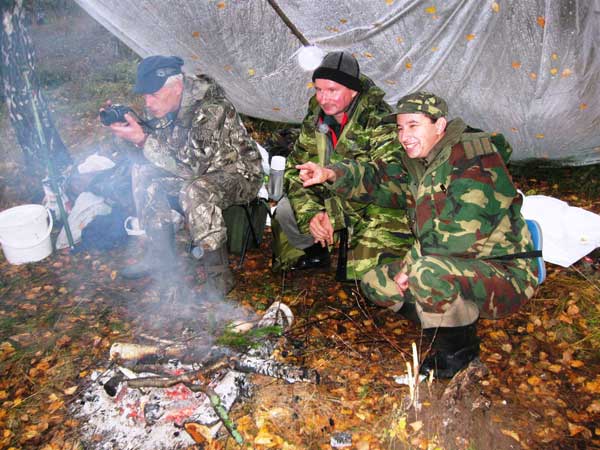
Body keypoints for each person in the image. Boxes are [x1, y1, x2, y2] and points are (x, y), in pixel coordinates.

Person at [296, 91, 540, 378]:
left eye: (413, 125)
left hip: (505, 273)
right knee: (375, 282)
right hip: (454, 265)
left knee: (426, 272)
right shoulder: (419, 162)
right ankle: (448, 317)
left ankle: (457, 354)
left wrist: (411, 266)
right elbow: (377, 178)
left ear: (439, 126)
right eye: (400, 128)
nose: (404, 135)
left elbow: (458, 238)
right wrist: (331, 173)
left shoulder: (476, 159)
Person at [106, 55, 262, 293]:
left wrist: (143, 140)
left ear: (177, 87)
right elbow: (152, 154)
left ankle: (218, 275)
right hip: (196, 170)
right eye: (145, 95)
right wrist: (128, 135)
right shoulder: (166, 107)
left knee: (196, 189)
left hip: (238, 173)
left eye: (153, 95)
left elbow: (192, 168)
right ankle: (162, 257)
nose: (147, 102)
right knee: (143, 172)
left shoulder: (211, 108)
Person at [272, 51, 412, 280]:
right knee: (286, 210)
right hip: (327, 193)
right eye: (318, 90)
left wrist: (334, 215)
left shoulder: (379, 121)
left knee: (379, 222)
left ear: (353, 90)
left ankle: (368, 272)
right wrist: (313, 214)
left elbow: (386, 182)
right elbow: (294, 169)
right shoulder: (316, 118)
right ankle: (316, 251)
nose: (323, 98)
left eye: (332, 90)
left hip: (364, 199)